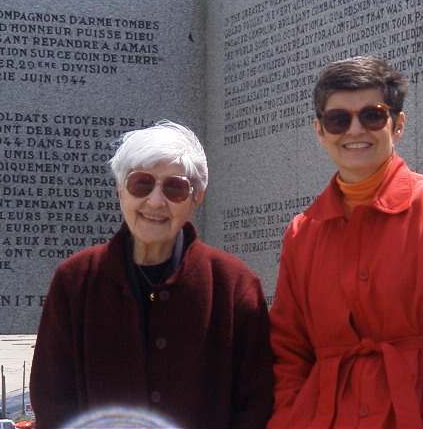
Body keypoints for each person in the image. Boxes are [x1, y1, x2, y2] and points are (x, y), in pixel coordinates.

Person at [268, 56, 423, 429]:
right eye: (338, 119)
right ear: (320, 131)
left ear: (398, 125)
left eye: (372, 115)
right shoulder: (303, 233)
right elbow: (288, 351)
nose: (354, 130)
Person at [30, 120, 273, 429]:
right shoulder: (75, 281)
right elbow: (52, 399)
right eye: (141, 183)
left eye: (175, 188)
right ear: (120, 190)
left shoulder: (235, 285)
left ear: (196, 197)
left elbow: (256, 403)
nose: (156, 201)